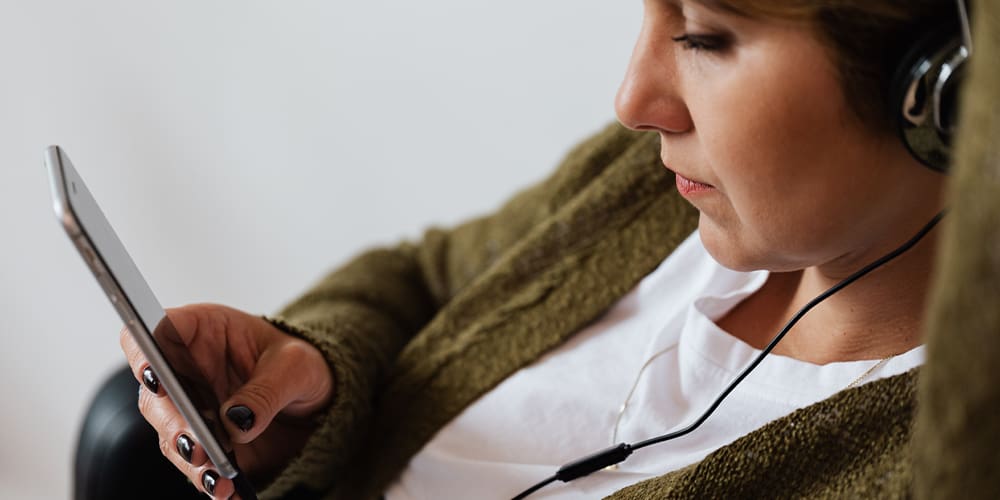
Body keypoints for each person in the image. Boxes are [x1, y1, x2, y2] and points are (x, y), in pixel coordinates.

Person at [120, 0, 969, 498]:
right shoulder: (657, 187)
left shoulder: (940, 455)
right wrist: (315, 379)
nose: (635, 99)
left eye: (704, 36)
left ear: (941, 87)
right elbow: (419, 276)